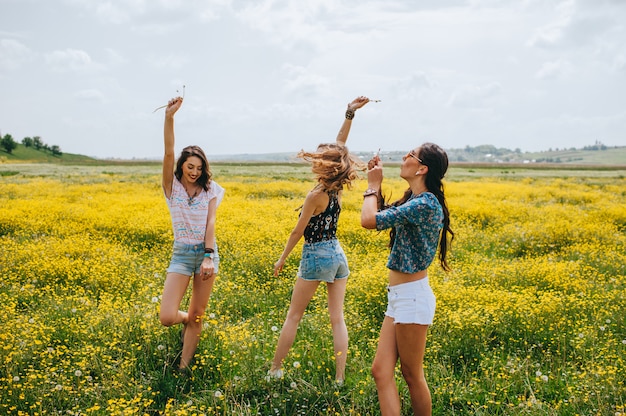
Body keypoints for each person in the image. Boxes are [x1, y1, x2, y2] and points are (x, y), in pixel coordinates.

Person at [269, 96, 371, 384]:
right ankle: (339, 379)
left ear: (324, 165)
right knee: (337, 319)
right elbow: (340, 148)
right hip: (338, 255)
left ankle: (274, 370)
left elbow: (297, 232)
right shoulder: (337, 187)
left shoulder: (316, 195)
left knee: (293, 316)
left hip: (316, 255)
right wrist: (349, 113)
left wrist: (282, 259)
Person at [360, 143, 454, 415]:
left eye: (410, 155)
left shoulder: (425, 204)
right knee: (381, 371)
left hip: (412, 297)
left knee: (412, 375)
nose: (404, 157)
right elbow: (379, 216)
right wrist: (375, 184)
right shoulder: (416, 200)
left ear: (422, 168)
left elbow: (368, 220)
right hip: (401, 297)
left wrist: (371, 184)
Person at [158, 95, 225, 372]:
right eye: (190, 167)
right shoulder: (170, 187)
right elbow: (169, 152)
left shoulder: (211, 189)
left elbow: (211, 223)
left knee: (199, 314)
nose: (194, 172)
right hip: (182, 253)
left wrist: (209, 256)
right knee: (167, 316)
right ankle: (186, 320)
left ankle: (183, 370)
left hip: (206, 253)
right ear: (181, 166)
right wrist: (169, 117)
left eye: (199, 168)